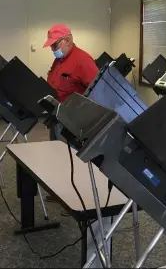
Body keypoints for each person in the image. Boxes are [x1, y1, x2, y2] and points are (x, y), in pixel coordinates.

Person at [43, 23, 99, 204]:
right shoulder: (60, 60)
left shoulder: (82, 60)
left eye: (54, 45)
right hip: (57, 115)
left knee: (70, 158)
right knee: (57, 155)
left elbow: (97, 90)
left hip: (73, 119)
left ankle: (75, 196)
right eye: (51, 45)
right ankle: (60, 191)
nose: (52, 49)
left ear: (67, 40)